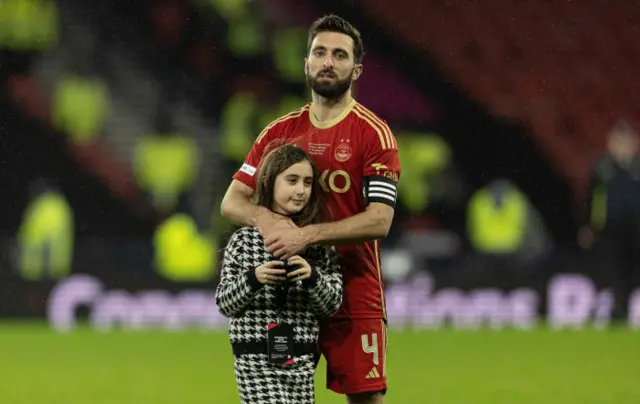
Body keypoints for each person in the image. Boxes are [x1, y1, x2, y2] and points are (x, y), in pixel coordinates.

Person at [220, 15, 401, 404]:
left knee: (366, 400)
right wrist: (273, 225)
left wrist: (305, 236)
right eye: (319, 52)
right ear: (306, 63)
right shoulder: (277, 132)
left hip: (351, 289)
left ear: (357, 69)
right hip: (286, 294)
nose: (328, 62)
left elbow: (380, 219)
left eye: (339, 55)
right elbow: (232, 201)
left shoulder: (374, 134)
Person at [216, 144, 343, 404]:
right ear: (269, 182)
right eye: (292, 180)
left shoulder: (317, 243)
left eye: (307, 182)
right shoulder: (244, 241)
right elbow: (225, 303)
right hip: (255, 360)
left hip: (301, 362)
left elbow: (332, 305)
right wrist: (255, 278)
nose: (301, 190)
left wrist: (312, 278)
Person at [578, 120, 640, 320]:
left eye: (625, 141)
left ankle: (627, 307)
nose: (621, 146)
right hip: (610, 229)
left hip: (636, 228)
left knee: (633, 271)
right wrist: (589, 226)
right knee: (614, 270)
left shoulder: (638, 168)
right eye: (617, 140)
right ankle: (617, 310)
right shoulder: (602, 168)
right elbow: (590, 199)